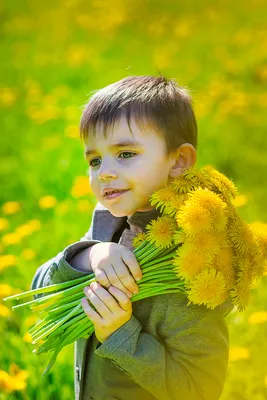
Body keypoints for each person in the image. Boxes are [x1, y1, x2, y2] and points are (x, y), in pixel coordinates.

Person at [31, 75, 233, 400]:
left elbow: (199, 389)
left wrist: (119, 334)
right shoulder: (108, 222)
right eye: (94, 160)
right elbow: (39, 290)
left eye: (125, 153)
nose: (104, 172)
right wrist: (91, 256)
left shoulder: (192, 265)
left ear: (178, 161)